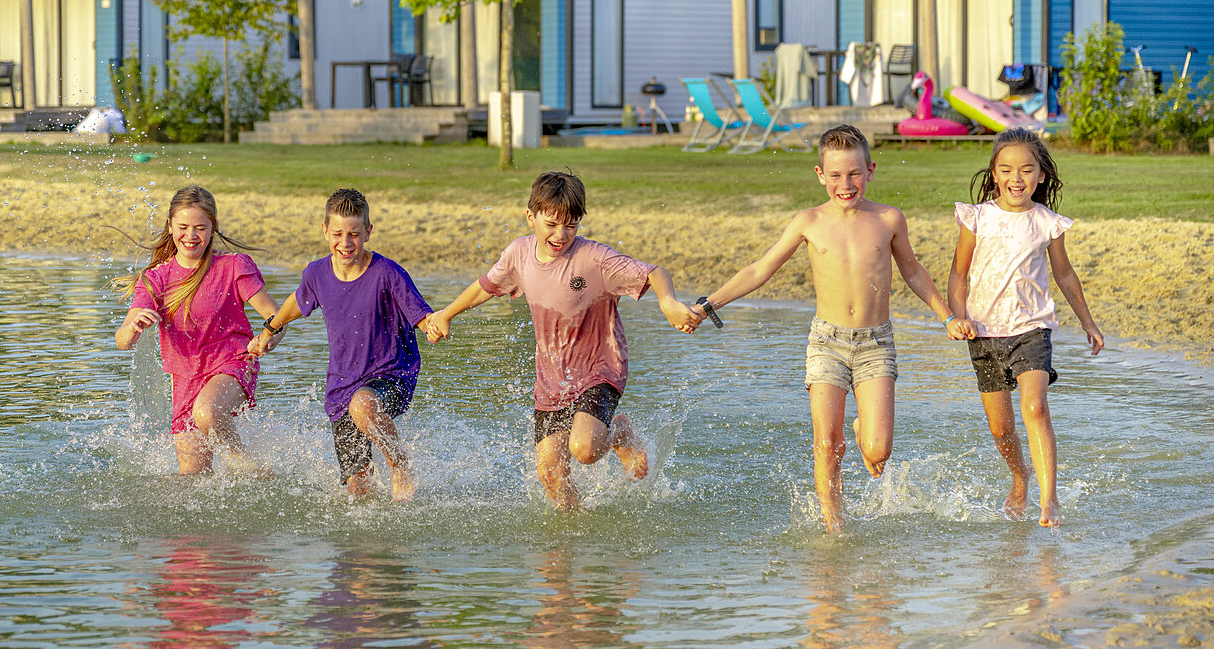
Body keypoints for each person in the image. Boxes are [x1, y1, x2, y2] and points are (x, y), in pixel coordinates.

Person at [692, 125, 970, 532]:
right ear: (820, 174)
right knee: (828, 444)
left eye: (855, 173)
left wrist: (947, 316)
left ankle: (864, 430)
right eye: (836, 175)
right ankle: (833, 526)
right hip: (827, 342)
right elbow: (759, 270)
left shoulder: (888, 219)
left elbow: (913, 271)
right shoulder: (809, 222)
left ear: (870, 171)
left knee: (877, 452)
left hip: (876, 343)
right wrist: (708, 304)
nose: (846, 184)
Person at [425, 170, 701, 511]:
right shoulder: (518, 255)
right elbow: (486, 286)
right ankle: (572, 540)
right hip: (553, 378)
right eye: (551, 223)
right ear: (531, 217)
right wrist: (447, 313)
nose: (561, 234)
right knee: (551, 476)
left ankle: (618, 432)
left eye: (571, 224)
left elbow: (654, 273)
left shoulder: (594, 259)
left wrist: (668, 302)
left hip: (601, 368)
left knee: (584, 449)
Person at [948, 128, 1103, 528]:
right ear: (994, 175)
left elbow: (1065, 276)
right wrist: (957, 315)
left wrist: (1088, 322)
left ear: (1041, 176)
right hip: (983, 333)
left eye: (1026, 170)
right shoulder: (977, 217)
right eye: (1006, 170)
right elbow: (958, 273)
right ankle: (1020, 475)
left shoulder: (1047, 223)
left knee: (1034, 406)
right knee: (1001, 429)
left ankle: (1049, 502)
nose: (1016, 178)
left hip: (1032, 329)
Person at [249, 189, 434, 501]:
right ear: (325, 231)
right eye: (337, 234)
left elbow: (421, 314)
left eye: (354, 234)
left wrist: (433, 325)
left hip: (390, 376)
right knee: (359, 492)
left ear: (368, 232)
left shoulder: (387, 273)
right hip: (341, 388)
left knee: (363, 406)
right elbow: (298, 301)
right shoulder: (317, 273)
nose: (345, 243)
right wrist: (270, 329)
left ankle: (399, 462)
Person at [116, 186, 283, 475]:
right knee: (192, 480)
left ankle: (252, 470)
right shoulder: (155, 280)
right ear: (170, 227)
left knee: (207, 411)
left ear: (212, 228)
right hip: (184, 379)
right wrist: (133, 326)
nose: (191, 236)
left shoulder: (233, 267)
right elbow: (122, 341)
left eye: (199, 228)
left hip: (232, 363)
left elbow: (276, 318)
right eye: (182, 227)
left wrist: (268, 338)